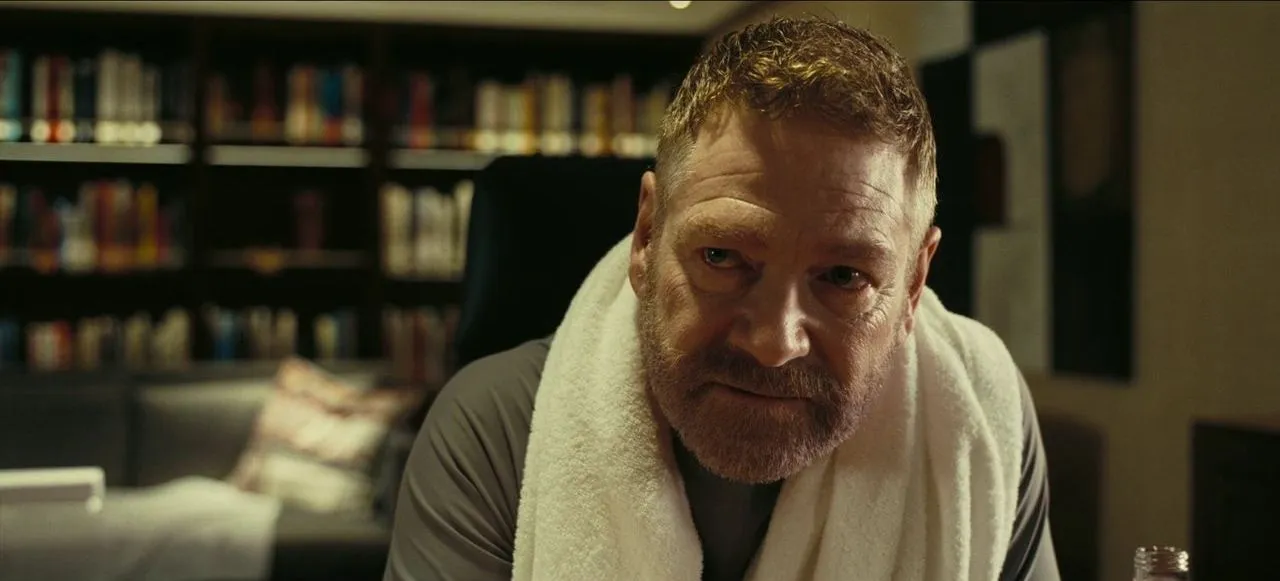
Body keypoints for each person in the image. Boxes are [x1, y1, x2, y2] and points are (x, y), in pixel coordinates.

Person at [384, 16, 1060, 581]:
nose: (773, 342)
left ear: (913, 285)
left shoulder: (977, 422)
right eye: (722, 257)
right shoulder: (495, 433)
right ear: (647, 236)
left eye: (843, 277)